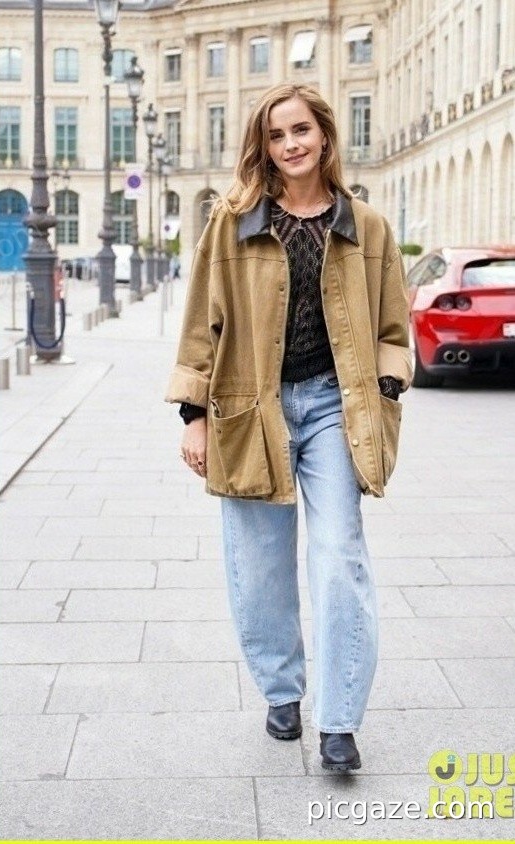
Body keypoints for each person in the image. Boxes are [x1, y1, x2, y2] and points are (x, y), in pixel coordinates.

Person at [166, 83, 412, 772]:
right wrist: (193, 415)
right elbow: (201, 323)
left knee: (338, 555)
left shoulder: (366, 227)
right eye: (276, 135)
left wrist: (386, 386)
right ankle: (281, 690)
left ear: (325, 135)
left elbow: (393, 328)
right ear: (263, 146)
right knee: (259, 565)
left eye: (300, 129)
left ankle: (338, 721)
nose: (290, 144)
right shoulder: (233, 221)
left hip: (336, 407)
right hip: (251, 408)